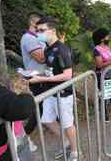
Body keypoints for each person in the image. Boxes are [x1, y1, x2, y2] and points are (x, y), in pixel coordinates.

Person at [29, 16, 78, 160]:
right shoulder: (48, 49)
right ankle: (67, 143)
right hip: (50, 92)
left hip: (63, 94)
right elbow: (51, 70)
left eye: (42, 30)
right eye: (37, 30)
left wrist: (42, 78)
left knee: (67, 123)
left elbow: (68, 75)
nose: (39, 33)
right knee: (47, 120)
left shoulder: (62, 49)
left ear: (52, 31)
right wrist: (34, 74)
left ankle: (75, 151)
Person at [20, 12, 46, 152]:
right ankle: (23, 138)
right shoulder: (28, 38)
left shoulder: (38, 38)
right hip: (37, 79)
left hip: (44, 78)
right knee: (38, 111)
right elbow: (41, 58)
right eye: (40, 24)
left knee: (45, 108)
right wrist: (54, 49)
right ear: (32, 23)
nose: (43, 27)